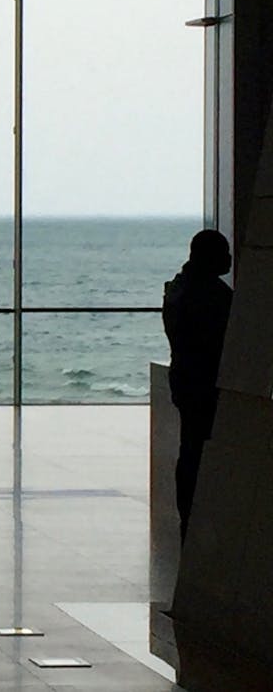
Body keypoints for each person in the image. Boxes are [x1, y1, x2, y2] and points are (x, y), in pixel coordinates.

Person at [161, 228, 233, 543]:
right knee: (198, 450)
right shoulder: (213, 296)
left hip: (185, 379)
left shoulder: (178, 289)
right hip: (206, 383)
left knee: (190, 449)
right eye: (224, 253)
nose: (229, 259)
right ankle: (200, 514)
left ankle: (190, 515)